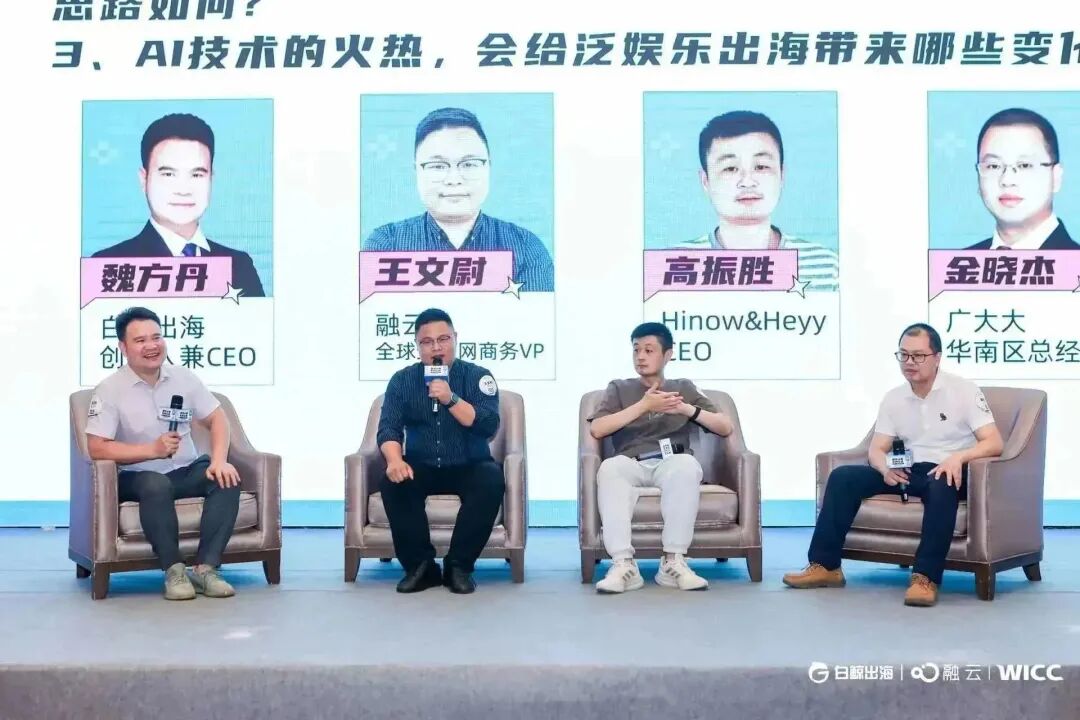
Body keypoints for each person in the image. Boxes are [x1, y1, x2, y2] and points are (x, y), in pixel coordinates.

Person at [783, 323, 1004, 607]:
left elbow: (994, 442)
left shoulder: (963, 391)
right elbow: (877, 448)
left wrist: (958, 458)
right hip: (910, 470)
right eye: (904, 355)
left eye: (918, 356)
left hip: (950, 471)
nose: (910, 362)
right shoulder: (894, 398)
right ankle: (826, 566)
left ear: (937, 357)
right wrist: (885, 470)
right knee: (843, 477)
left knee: (941, 483)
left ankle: (925, 578)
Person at [85, 306, 243, 601]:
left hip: (184, 470)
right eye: (140, 340)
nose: (151, 346)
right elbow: (97, 446)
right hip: (136, 475)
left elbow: (217, 418)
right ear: (123, 347)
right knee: (155, 484)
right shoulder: (110, 390)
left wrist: (219, 460)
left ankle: (206, 568)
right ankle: (174, 570)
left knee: (226, 478)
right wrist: (151, 450)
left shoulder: (183, 378)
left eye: (156, 337)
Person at [587, 322, 734, 594]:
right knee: (609, 469)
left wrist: (685, 408)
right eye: (636, 350)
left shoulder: (682, 387)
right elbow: (598, 429)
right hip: (631, 461)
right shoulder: (618, 388)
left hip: (671, 461)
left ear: (668, 355)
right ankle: (623, 565)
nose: (640, 356)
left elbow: (724, 426)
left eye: (649, 350)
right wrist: (644, 405)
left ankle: (673, 562)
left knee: (687, 467)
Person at [376, 308, 505, 594]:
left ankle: (459, 566)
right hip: (421, 464)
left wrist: (450, 398)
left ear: (455, 338)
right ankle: (421, 567)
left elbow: (488, 424)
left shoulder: (478, 377)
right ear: (417, 346)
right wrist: (394, 460)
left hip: (469, 464)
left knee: (491, 479)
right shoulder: (402, 380)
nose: (436, 347)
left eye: (443, 339)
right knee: (394, 482)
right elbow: (388, 428)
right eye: (427, 342)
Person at [363, 107, 555, 292]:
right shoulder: (386, 245)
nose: (454, 179)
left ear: (488, 167)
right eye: (437, 166)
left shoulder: (526, 248)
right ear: (417, 171)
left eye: (469, 164)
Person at [92, 113, 267, 297]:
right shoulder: (110, 266)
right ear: (144, 179)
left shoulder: (239, 266)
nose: (183, 190)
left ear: (211, 179)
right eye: (168, 174)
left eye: (197, 175)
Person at [672, 110, 839, 291]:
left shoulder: (827, 267)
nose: (747, 182)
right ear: (706, 181)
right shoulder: (673, 266)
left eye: (761, 167)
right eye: (730, 168)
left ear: (782, 175)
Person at [965, 107, 1077, 250]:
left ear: (1056, 177)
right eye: (993, 166)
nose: (1007, 181)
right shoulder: (960, 261)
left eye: (1025, 165)